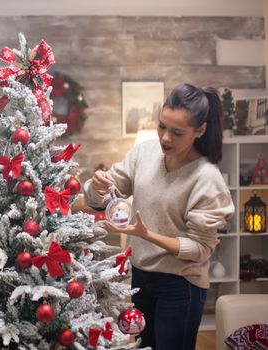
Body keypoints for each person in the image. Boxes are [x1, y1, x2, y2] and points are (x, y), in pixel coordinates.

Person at [83, 83, 234, 350]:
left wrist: (147, 235)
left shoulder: (207, 179)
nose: (165, 138)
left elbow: (200, 249)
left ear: (199, 130)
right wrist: (97, 185)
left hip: (180, 285)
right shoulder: (144, 153)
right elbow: (104, 198)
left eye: (177, 133)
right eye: (162, 126)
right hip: (141, 277)